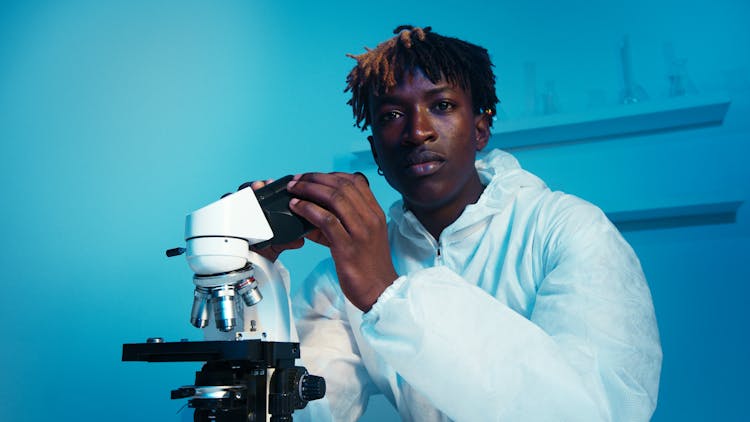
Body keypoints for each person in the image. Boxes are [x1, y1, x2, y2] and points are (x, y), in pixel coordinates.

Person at [259, 25, 662, 421]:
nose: (417, 132)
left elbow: (590, 411)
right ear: (376, 152)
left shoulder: (568, 231)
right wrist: (253, 278)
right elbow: (301, 411)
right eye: (392, 115)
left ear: (481, 128)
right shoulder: (344, 275)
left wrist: (387, 293)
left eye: (442, 106)